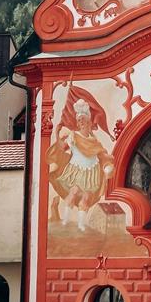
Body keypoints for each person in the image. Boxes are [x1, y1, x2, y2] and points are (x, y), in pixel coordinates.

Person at [48, 93, 114, 232]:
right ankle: (65, 222)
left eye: (83, 119)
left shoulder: (95, 140)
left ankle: (81, 225)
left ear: (89, 122)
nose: (81, 122)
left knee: (86, 198)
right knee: (73, 193)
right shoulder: (73, 136)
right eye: (79, 120)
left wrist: (107, 166)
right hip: (76, 170)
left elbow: (102, 154)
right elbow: (63, 148)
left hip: (92, 172)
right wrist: (58, 133)